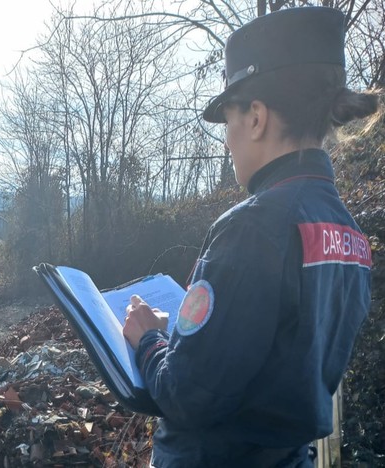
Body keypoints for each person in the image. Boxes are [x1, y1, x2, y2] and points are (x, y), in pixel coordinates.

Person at [122, 7, 379, 468]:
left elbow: (187, 394)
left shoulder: (253, 227)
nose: (227, 139)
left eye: (228, 119)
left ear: (256, 117)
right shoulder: (350, 234)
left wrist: (148, 340)